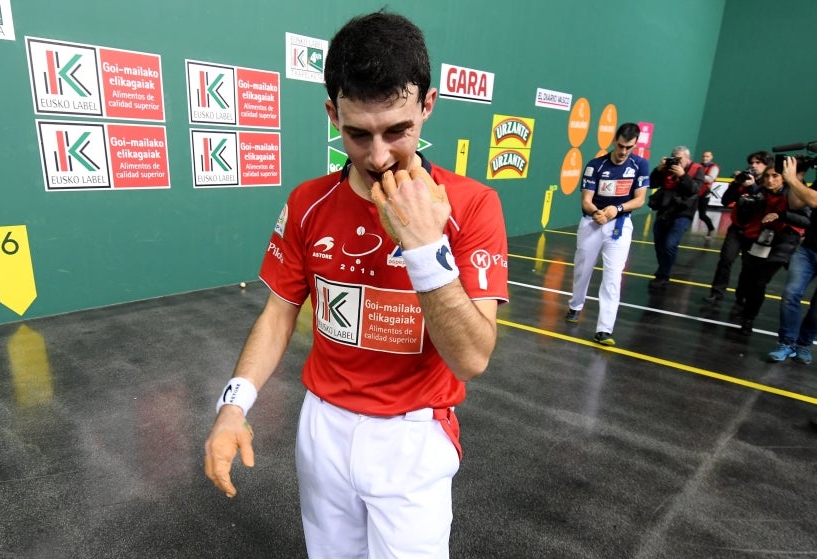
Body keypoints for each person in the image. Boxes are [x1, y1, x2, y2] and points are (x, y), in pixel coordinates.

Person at [203, 11, 509, 558]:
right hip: (323, 428)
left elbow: (472, 358)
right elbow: (277, 315)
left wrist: (424, 249)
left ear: (428, 106)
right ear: (331, 114)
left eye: (398, 130)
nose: (378, 155)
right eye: (356, 133)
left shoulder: (473, 205)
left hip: (413, 438)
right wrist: (233, 407)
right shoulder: (307, 202)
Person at [564, 122, 650, 346]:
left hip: (620, 226)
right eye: (620, 146)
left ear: (635, 145)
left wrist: (617, 210)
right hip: (592, 222)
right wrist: (599, 213)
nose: (623, 152)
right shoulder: (596, 165)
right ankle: (575, 306)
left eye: (628, 147)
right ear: (614, 140)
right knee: (582, 270)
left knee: (613, 278)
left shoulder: (639, 165)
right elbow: (586, 200)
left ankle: (604, 329)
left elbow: (640, 199)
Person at [733, 167, 809, 335]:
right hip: (763, 239)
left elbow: (807, 219)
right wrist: (744, 206)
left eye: (775, 176)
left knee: (761, 280)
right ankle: (747, 317)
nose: (770, 180)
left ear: (784, 178)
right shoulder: (761, 192)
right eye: (767, 176)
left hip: (786, 242)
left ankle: (749, 318)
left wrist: (782, 215)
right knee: (752, 280)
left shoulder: (793, 194)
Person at [702, 150, 773, 305]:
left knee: (749, 267)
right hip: (737, 228)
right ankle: (717, 293)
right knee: (725, 260)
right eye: (752, 162)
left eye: (758, 162)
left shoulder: (769, 183)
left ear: (767, 166)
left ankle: (742, 295)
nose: (753, 165)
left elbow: (764, 204)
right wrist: (735, 184)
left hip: (755, 231)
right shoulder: (744, 180)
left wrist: (753, 186)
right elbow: (726, 201)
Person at [767, 156, 817, 363]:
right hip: (808, 249)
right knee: (790, 295)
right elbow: (797, 203)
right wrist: (799, 174)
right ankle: (787, 342)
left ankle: (804, 344)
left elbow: (814, 200)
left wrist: (791, 180)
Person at [648, 146, 705, 288]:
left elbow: (695, 189)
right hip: (664, 211)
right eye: (674, 158)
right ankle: (662, 270)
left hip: (683, 213)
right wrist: (658, 169)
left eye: (679, 159)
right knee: (659, 244)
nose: (676, 162)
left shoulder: (697, 169)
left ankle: (664, 274)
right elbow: (651, 183)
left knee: (670, 245)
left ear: (687, 158)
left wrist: (682, 175)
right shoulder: (666, 170)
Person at [696, 150, 721, 237]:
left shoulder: (714, 167)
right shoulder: (699, 165)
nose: (705, 158)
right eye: (703, 156)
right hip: (696, 191)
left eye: (707, 156)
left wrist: (697, 175)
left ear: (711, 157)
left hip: (705, 193)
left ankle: (711, 228)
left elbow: (710, 179)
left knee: (702, 215)